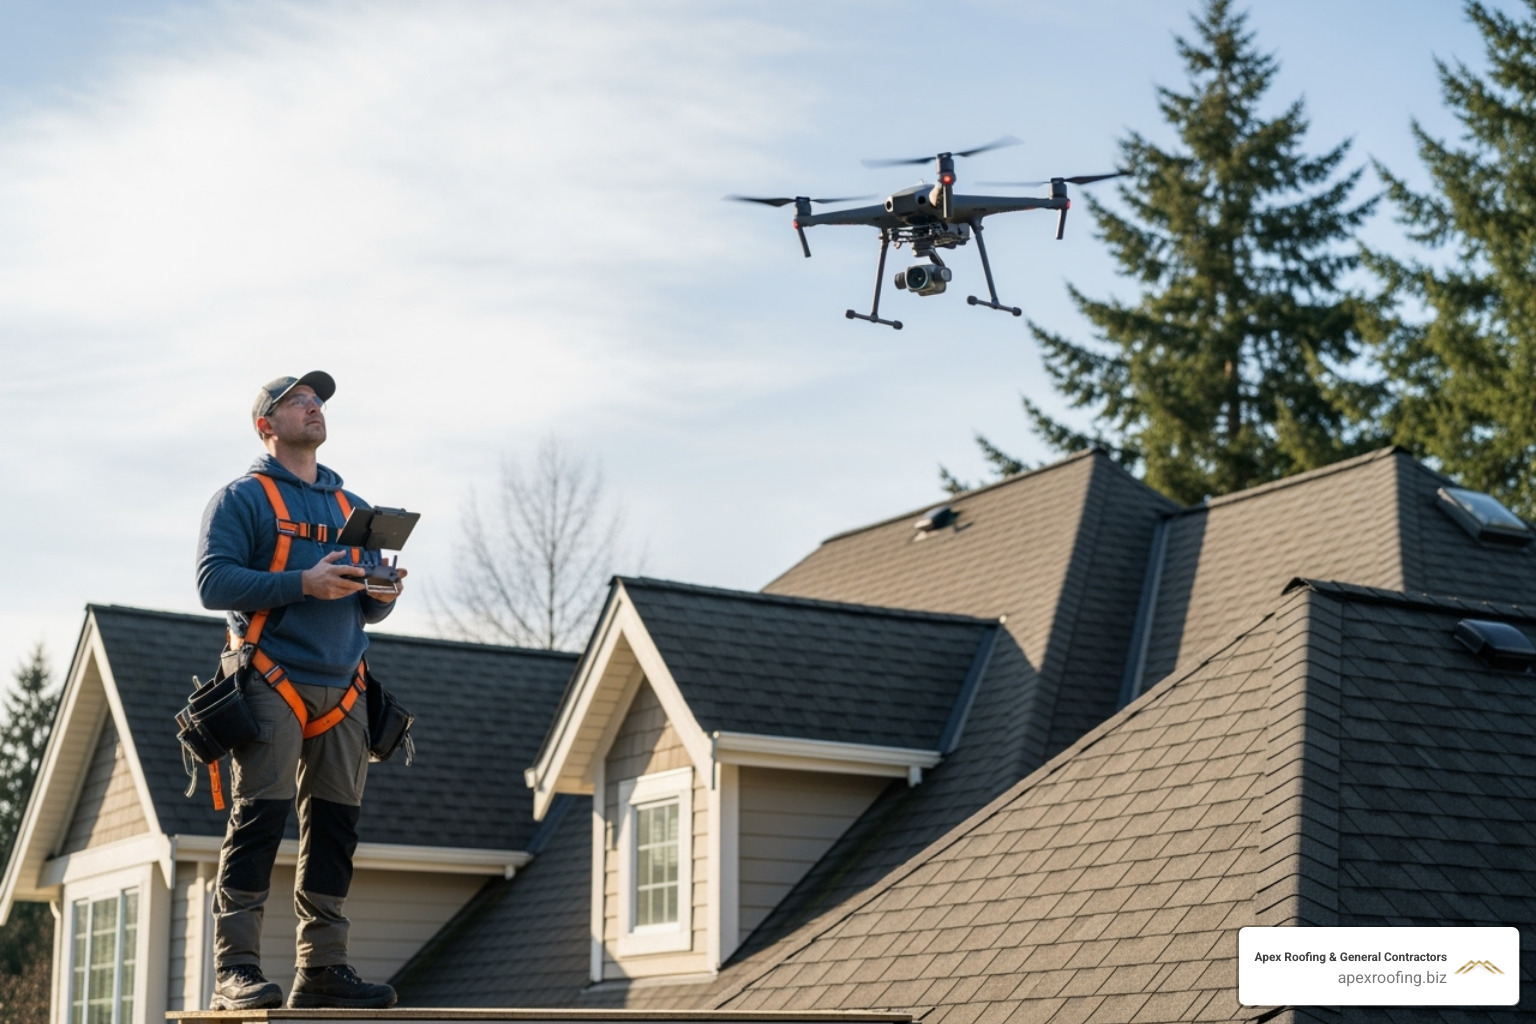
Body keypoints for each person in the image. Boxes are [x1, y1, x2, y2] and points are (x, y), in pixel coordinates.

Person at [196, 371, 405, 1010]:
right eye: (297, 402)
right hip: (271, 678)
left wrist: (384, 593)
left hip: (345, 684)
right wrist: (301, 583)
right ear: (267, 426)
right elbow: (213, 584)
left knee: (336, 827)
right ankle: (237, 970)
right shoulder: (242, 498)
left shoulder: (352, 507)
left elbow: (364, 612)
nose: (313, 408)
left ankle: (323, 969)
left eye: (317, 402)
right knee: (259, 820)